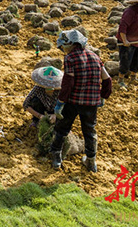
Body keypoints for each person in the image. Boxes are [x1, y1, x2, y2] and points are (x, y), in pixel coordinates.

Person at [51, 29, 112, 173]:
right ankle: (91, 161)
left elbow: (68, 83)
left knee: (62, 128)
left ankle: (56, 158)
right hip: (91, 103)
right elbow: (107, 79)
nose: (63, 50)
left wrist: (60, 103)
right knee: (89, 131)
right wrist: (103, 96)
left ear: (71, 44)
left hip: (73, 101)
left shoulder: (70, 58)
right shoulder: (95, 57)